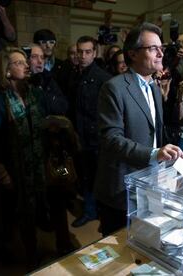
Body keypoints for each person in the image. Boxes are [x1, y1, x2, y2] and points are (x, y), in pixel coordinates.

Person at [94, 22, 183, 236]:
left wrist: (169, 153)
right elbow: (111, 138)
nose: (161, 53)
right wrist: (154, 154)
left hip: (149, 184)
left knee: (143, 243)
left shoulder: (154, 85)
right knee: (117, 248)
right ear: (133, 54)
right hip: (121, 188)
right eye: (153, 48)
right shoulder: (114, 88)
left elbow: (155, 134)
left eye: (161, 48)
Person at [0, 47, 47, 270]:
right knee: (20, 212)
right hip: (15, 167)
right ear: (7, 70)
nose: (27, 65)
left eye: (25, 61)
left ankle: (46, 246)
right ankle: (29, 257)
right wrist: (2, 172)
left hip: (40, 164)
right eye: (19, 63)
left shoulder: (36, 94)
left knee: (44, 204)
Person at [68, 36, 112, 228]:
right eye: (80, 52)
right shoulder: (76, 75)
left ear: (94, 53)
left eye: (87, 52)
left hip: (98, 138)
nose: (83, 56)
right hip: (81, 136)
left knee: (99, 178)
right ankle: (90, 211)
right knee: (85, 176)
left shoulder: (104, 79)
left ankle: (100, 213)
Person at [27, 43, 68, 115]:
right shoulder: (21, 81)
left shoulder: (48, 78)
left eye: (42, 57)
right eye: (34, 57)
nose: (40, 61)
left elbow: (63, 106)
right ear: (26, 60)